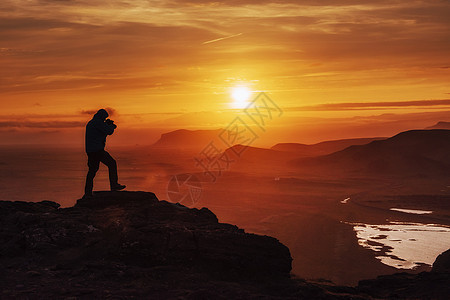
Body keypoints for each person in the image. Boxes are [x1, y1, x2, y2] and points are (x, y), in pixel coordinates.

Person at [83, 109, 126, 198]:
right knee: (112, 164)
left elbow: (102, 131)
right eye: (105, 117)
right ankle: (114, 185)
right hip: (97, 150)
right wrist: (111, 126)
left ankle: (88, 192)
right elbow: (109, 131)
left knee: (92, 171)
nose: (105, 119)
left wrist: (107, 125)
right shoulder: (98, 122)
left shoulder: (92, 122)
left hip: (91, 151)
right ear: (102, 116)